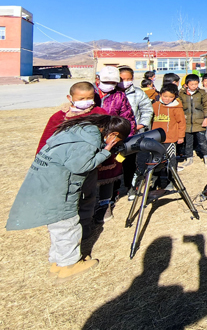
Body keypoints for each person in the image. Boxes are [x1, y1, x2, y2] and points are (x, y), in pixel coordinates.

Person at [6, 114, 131, 282]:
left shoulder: (78, 131)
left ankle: (58, 262)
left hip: (45, 182)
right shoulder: (90, 140)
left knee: (57, 225)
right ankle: (69, 265)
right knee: (68, 225)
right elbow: (81, 166)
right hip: (59, 187)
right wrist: (105, 151)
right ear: (113, 135)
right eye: (116, 140)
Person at [36, 81, 108, 239]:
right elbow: (46, 140)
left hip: (89, 165)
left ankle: (85, 223)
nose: (86, 102)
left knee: (88, 195)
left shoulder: (100, 113)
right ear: (70, 98)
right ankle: (65, 224)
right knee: (67, 196)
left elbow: (108, 135)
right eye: (81, 98)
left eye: (89, 98)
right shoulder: (60, 117)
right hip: (64, 167)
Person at [94, 66, 136, 223]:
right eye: (107, 82)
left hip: (112, 140)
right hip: (91, 139)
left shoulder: (119, 96)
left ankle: (106, 203)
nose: (110, 86)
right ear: (98, 80)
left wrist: (125, 138)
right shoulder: (90, 94)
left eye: (113, 83)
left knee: (109, 171)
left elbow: (128, 118)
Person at [119, 67, 154, 201]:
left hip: (133, 133)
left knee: (130, 162)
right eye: (122, 79)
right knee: (115, 163)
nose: (125, 82)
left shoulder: (138, 93)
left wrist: (140, 125)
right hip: (114, 135)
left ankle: (131, 187)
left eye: (128, 79)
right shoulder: (112, 94)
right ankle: (114, 190)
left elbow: (147, 109)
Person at [178, 74, 207, 167]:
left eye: (196, 84)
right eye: (192, 84)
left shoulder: (202, 93)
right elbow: (179, 107)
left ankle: (206, 156)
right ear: (186, 84)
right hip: (187, 122)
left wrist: (206, 118)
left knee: (202, 141)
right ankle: (189, 158)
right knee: (188, 142)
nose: (194, 86)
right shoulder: (182, 94)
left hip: (199, 122)